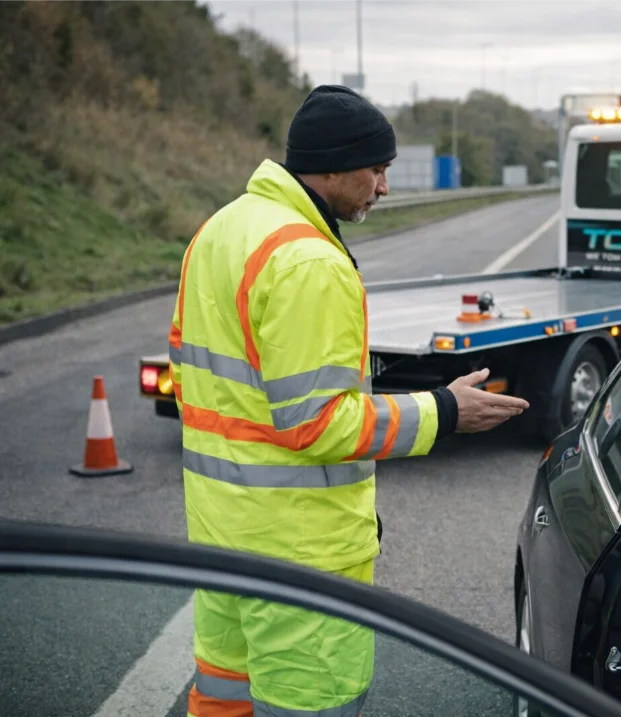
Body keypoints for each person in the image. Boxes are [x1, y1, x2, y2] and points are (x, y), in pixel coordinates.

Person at [169, 85, 530, 717]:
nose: (384, 188)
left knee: (223, 695)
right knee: (314, 702)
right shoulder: (309, 261)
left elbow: (201, 376)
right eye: (378, 170)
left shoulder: (222, 230)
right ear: (334, 167)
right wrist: (444, 411)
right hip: (299, 551)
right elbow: (318, 423)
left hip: (221, 530)